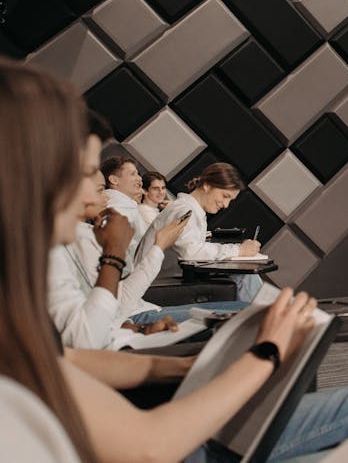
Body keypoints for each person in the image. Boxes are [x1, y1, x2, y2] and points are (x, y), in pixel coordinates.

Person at [0, 58, 348, 462]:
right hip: (155, 406)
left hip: (133, 345)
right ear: (30, 179)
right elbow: (147, 444)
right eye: (86, 175)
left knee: (254, 313)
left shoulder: (19, 315)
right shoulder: (162, 214)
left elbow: (67, 361)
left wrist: (187, 367)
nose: (94, 192)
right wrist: (265, 353)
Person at [48, 129, 248, 348]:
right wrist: (150, 248)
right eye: (100, 189)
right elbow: (97, 327)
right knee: (247, 309)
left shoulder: (83, 235)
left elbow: (109, 315)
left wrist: (136, 329)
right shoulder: (94, 228)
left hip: (137, 314)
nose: (105, 197)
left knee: (247, 304)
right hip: (140, 308)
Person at [138, 162, 263, 302]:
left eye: (230, 200)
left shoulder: (191, 210)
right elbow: (191, 253)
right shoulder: (184, 210)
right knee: (245, 277)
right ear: (207, 185)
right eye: (225, 196)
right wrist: (238, 250)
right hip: (154, 285)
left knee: (243, 276)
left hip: (167, 279)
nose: (226, 205)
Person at [100, 155, 147, 266]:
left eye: (138, 174)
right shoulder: (117, 209)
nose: (139, 178)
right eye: (133, 174)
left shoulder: (126, 205)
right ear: (114, 180)